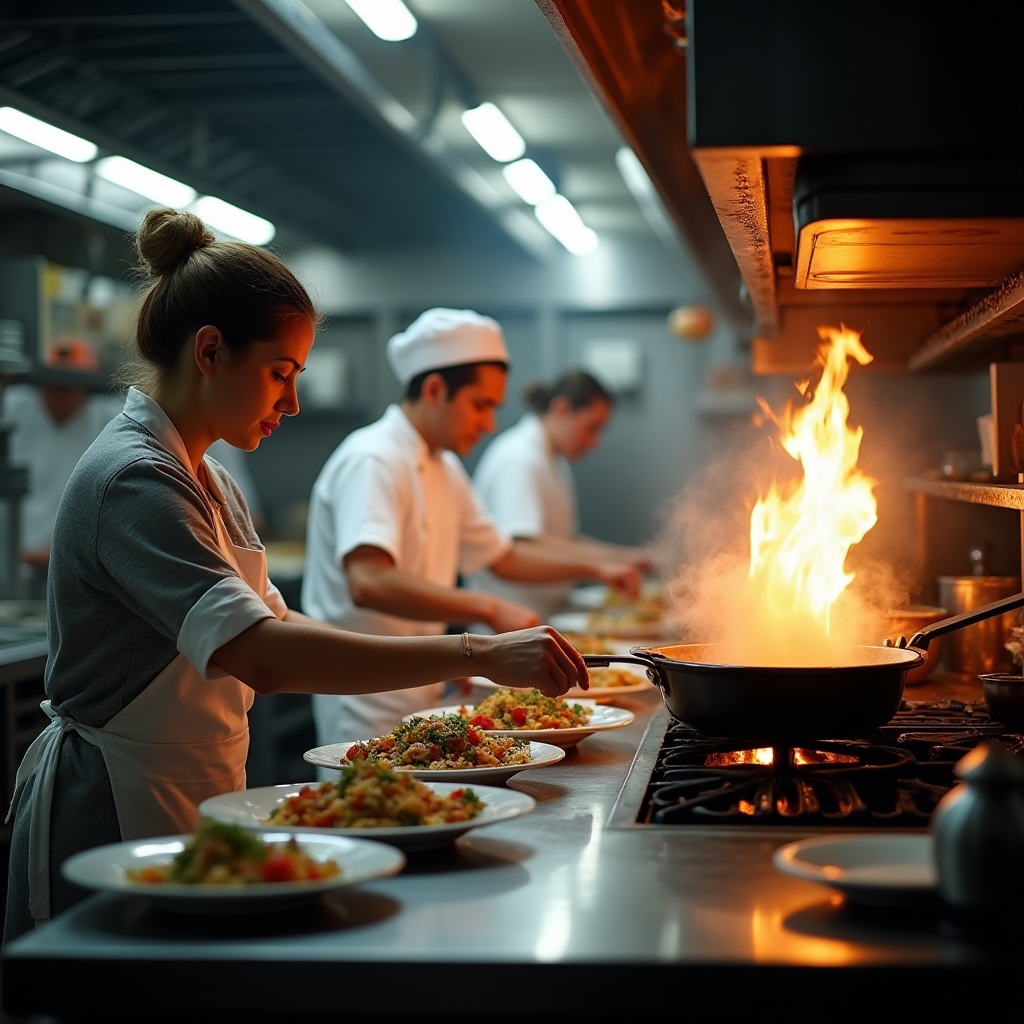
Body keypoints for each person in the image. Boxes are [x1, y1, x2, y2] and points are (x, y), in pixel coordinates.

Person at [4, 213, 586, 943]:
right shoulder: (133, 478)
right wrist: (475, 651)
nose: (293, 402)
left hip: (195, 790)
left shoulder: (208, 475)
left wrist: (477, 651)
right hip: (115, 804)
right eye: (280, 374)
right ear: (210, 351)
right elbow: (263, 655)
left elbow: (275, 623)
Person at [302, 308, 639, 745]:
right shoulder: (374, 458)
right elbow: (369, 580)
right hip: (365, 696)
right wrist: (489, 610)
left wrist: (597, 567)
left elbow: (501, 556)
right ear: (436, 389)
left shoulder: (444, 466)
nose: (489, 423)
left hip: (425, 683)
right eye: (481, 406)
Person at [471, 371, 652, 620]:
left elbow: (564, 542)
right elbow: (522, 546)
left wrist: (630, 557)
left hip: (544, 616)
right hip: (508, 626)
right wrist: (600, 567)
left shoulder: (554, 461)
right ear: (561, 408)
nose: (595, 442)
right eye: (592, 428)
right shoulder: (520, 458)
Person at [0, 339, 122, 578]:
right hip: (10, 551)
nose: (59, 394)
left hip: (76, 559)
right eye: (52, 385)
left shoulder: (109, 419)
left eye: (69, 386)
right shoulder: (14, 408)